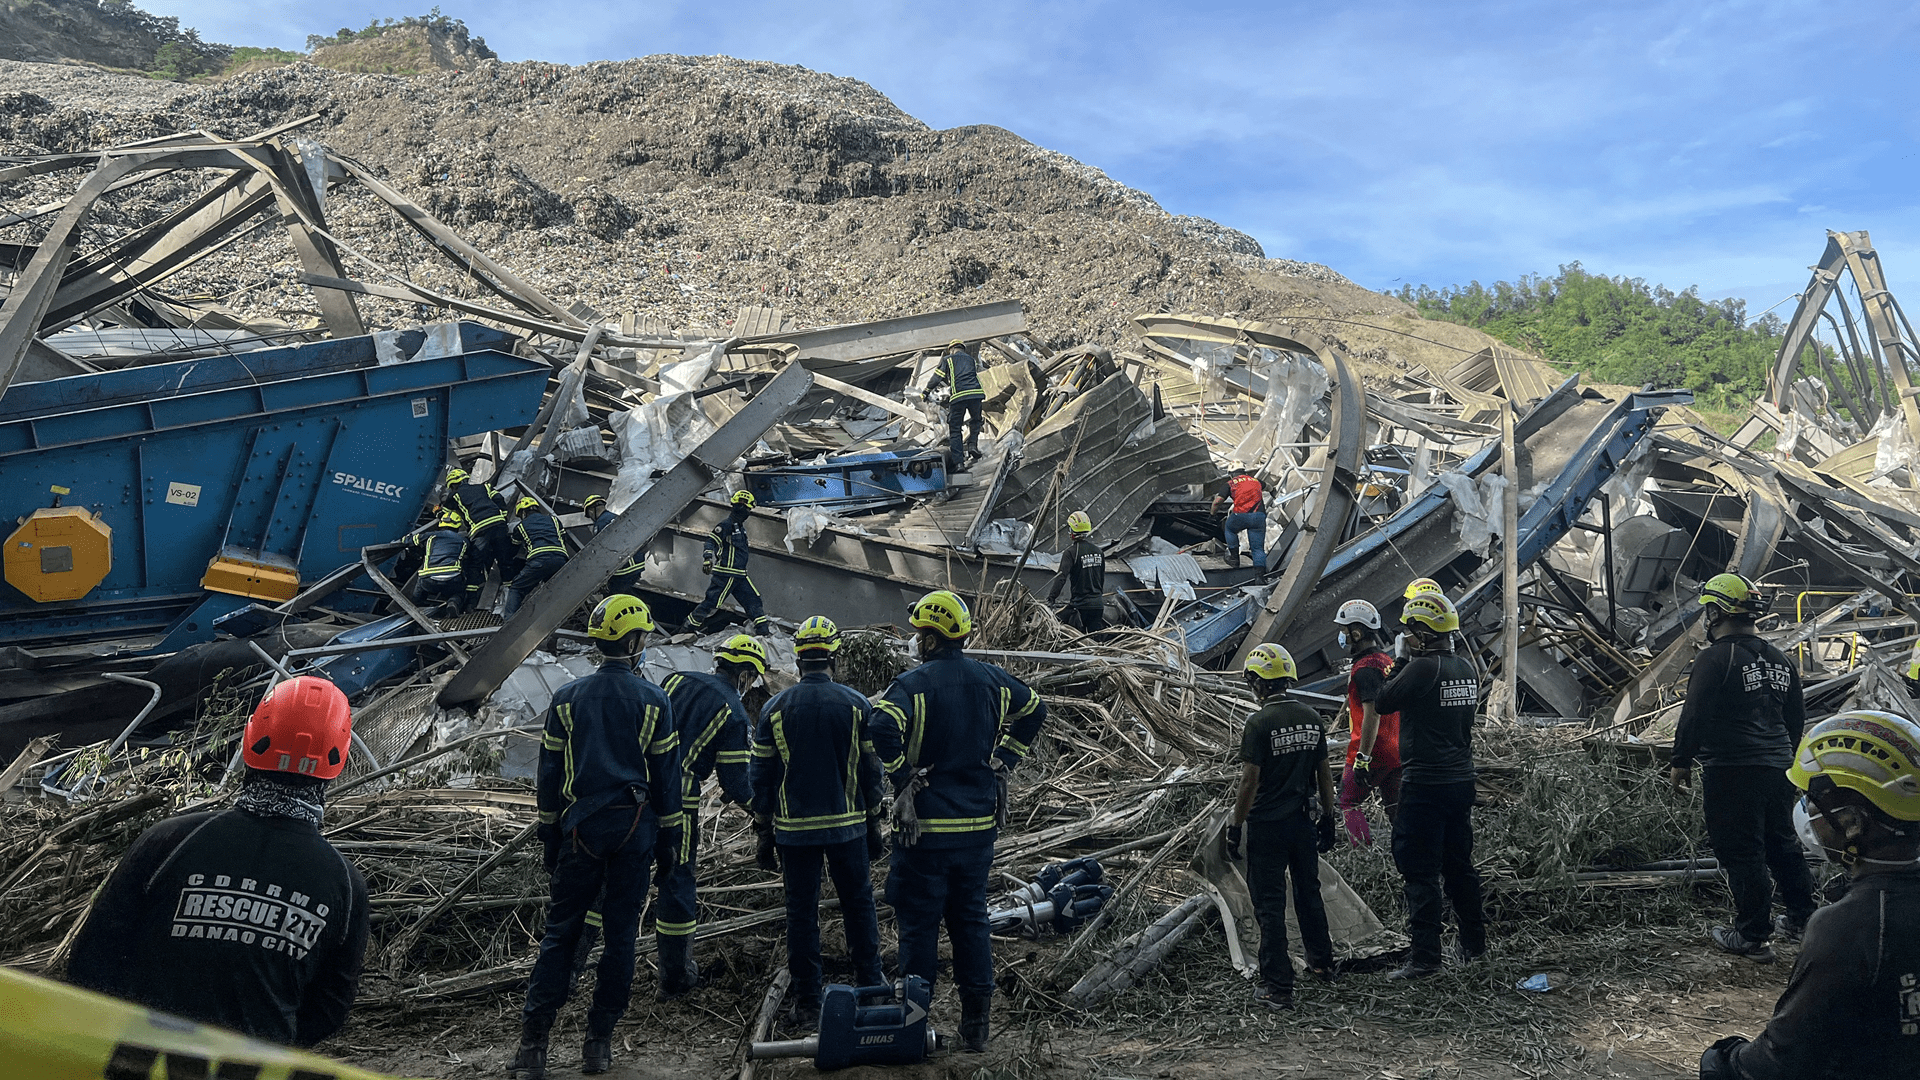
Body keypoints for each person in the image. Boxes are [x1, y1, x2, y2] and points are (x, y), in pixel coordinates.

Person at [68, 676, 369, 1048]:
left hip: (141, 1061)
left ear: (250, 743)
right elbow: (329, 1008)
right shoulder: (344, 884)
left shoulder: (170, 841)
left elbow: (91, 960)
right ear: (337, 760)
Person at [512, 595, 682, 1080]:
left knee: (561, 935)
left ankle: (532, 1048)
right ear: (632, 642)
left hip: (579, 833)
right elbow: (667, 780)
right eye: (643, 639)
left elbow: (549, 775)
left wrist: (550, 832)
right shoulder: (655, 701)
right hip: (634, 835)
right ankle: (598, 1045)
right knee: (620, 939)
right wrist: (670, 841)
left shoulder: (567, 699)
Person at [1698, 709, 1920, 1079]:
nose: (1805, 811)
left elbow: (1780, 1063)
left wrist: (1722, 1060)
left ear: (1851, 821)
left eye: (1811, 800)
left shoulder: (1851, 927)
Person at [872, 590, 1046, 1052]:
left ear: (930, 640)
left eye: (918, 634)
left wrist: (903, 777)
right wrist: (1005, 759)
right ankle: (977, 1026)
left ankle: (914, 1027)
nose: (915, 641)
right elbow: (1035, 710)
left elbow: (880, 726)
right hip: (976, 832)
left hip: (925, 834)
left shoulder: (912, 685)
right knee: (971, 923)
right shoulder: (994, 680)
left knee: (918, 927)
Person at [750, 616, 892, 1029]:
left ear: (798, 659)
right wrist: (873, 822)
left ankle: (809, 1003)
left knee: (801, 914)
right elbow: (870, 770)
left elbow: (761, 777)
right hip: (848, 828)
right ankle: (871, 985)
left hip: (794, 833)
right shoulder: (856, 705)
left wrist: (763, 830)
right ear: (833, 656)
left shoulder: (775, 709)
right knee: (858, 905)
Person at [1671, 573, 1815, 963]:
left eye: (1707, 610)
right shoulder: (1781, 659)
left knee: (1742, 851)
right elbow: (1796, 720)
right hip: (1779, 767)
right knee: (1782, 844)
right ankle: (1804, 920)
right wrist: (1786, 760)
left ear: (1716, 612)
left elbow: (1694, 715)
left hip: (1733, 770)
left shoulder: (1715, 657)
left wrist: (1681, 761)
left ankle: (1752, 935)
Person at [1377, 590, 1486, 979]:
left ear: (1421, 634)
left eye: (1410, 631)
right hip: (1461, 779)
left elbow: (1383, 701)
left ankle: (1425, 959)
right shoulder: (1464, 667)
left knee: (1419, 870)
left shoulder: (1423, 669)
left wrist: (1400, 659)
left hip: (1425, 784)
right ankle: (1475, 948)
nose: (1406, 636)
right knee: (1460, 866)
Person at [1224, 644, 1338, 1011]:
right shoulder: (1311, 717)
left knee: (1270, 905)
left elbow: (1248, 781)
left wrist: (1235, 825)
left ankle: (1278, 987)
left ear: (1257, 682)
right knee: (1309, 894)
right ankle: (1322, 964)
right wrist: (1329, 816)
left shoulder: (1258, 723)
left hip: (1268, 827)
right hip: (1303, 823)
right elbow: (1323, 774)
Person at [652, 634, 763, 998]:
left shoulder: (675, 678)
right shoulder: (733, 711)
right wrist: (763, 813)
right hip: (678, 799)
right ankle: (675, 976)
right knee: (676, 879)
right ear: (746, 674)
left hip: (636, 790)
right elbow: (735, 779)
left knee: (626, 872)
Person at [1332, 599, 1403, 847]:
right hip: (1396, 749)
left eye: (1344, 630)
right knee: (1396, 809)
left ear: (1357, 633)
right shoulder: (1385, 661)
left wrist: (1363, 758)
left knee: (1348, 802)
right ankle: (1411, 851)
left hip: (1373, 751)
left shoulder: (1365, 669)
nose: (1341, 636)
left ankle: (1363, 853)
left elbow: (1372, 713)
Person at [685, 491, 769, 635]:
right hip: (727, 574)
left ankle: (764, 633)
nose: (745, 511)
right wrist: (707, 558)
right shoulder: (725, 525)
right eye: (743, 507)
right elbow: (711, 542)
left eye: (746, 508)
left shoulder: (741, 529)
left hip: (740, 575)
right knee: (711, 603)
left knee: (753, 601)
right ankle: (687, 629)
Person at [927, 339, 986, 473]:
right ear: (963, 349)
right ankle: (972, 446)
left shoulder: (948, 359)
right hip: (976, 394)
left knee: (955, 429)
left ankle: (959, 463)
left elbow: (937, 378)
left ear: (951, 349)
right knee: (976, 420)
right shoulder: (971, 360)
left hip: (959, 396)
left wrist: (925, 392)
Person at [504, 496, 569, 617]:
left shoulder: (521, 526)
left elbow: (513, 548)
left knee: (517, 588)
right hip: (561, 559)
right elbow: (563, 539)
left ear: (523, 512)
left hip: (539, 560)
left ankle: (508, 622)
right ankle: (558, 617)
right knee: (553, 589)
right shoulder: (554, 520)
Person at [1045, 510, 1106, 632]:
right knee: (1094, 641)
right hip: (1098, 606)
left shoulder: (1071, 552)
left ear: (1072, 532)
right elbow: (1101, 579)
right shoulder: (1099, 552)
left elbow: (1061, 577)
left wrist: (1051, 599)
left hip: (1079, 607)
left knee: (1056, 626)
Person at [446, 466, 511, 581]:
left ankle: (472, 591)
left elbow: (447, 514)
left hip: (480, 529)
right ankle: (508, 584)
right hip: (498, 523)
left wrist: (437, 512)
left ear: (454, 484)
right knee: (504, 558)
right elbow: (499, 498)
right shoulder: (484, 487)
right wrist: (504, 516)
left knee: (476, 563)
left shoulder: (454, 495)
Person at [404, 510, 475, 615]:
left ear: (441, 524)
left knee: (420, 587)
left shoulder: (430, 536)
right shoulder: (463, 541)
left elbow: (407, 540)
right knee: (459, 592)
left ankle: (414, 607)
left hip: (429, 579)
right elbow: (470, 556)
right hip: (452, 578)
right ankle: (453, 603)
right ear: (458, 526)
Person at [583, 493, 646, 597]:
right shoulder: (617, 517)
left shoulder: (600, 524)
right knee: (626, 591)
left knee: (613, 596)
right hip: (637, 563)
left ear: (591, 511)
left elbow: (600, 551)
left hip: (624, 569)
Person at [1209, 466, 1266, 570]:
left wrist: (1212, 514)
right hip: (1259, 516)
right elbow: (1270, 487)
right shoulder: (1256, 481)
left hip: (1240, 516)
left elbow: (1217, 502)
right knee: (1258, 549)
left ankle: (1234, 558)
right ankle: (1260, 577)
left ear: (1231, 474)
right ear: (1244, 472)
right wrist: (1274, 493)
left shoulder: (1230, 484)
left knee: (1229, 529)